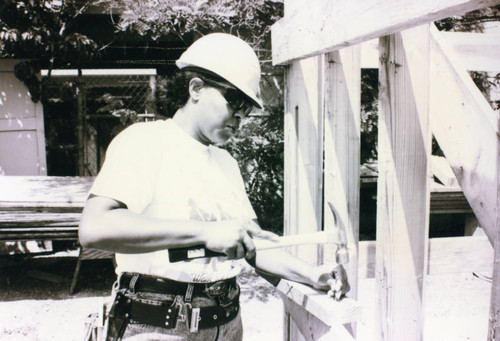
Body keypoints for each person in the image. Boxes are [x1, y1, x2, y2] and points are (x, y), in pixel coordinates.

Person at [79, 32, 350, 341]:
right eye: (234, 100)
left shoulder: (225, 163)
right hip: (159, 323)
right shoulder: (144, 141)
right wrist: (207, 232)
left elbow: (253, 246)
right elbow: (95, 227)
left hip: (227, 322)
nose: (240, 116)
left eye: (247, 108)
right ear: (196, 88)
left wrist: (313, 275)